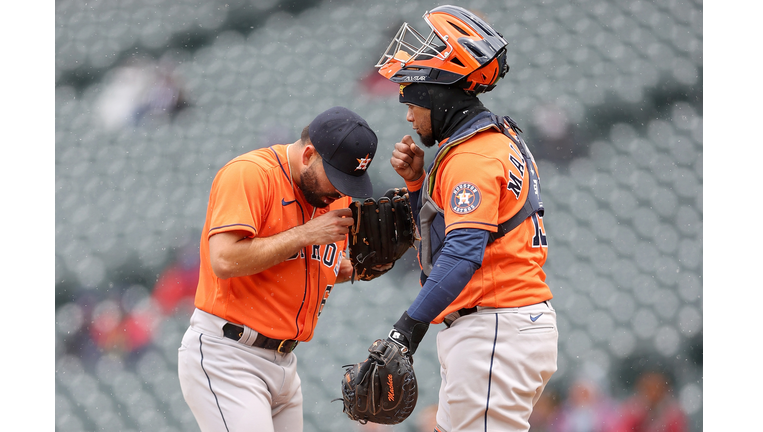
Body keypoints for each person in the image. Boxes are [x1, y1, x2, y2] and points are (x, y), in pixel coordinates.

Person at [372, 6, 558, 431]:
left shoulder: (472, 156)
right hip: (501, 326)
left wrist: (405, 331)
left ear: (438, 96)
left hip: (494, 326)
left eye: (411, 97)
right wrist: (418, 182)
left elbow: (459, 255)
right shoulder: (488, 141)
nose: (407, 113)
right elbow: (447, 236)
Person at [177, 106, 379, 432]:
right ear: (309, 154)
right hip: (229, 355)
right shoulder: (250, 174)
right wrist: (307, 235)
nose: (342, 191)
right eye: (338, 177)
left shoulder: (331, 196)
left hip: (285, 364)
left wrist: (355, 268)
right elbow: (224, 260)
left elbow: (310, 265)